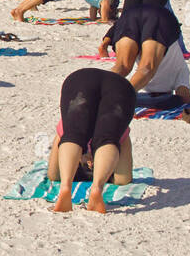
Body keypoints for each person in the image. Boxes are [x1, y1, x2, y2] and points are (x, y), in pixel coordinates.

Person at [48, 68, 136, 214]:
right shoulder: (117, 136)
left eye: (86, 165)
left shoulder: (69, 130)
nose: (90, 162)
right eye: (92, 165)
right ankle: (96, 188)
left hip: (84, 78)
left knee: (74, 135)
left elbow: (53, 174)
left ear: (79, 163)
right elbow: (122, 179)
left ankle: (66, 187)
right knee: (105, 139)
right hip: (119, 86)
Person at [108, 4, 185, 98]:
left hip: (131, 14)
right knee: (147, 67)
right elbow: (184, 96)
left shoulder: (180, 67)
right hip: (158, 17)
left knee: (122, 66)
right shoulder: (180, 69)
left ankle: (101, 95)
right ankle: (124, 97)